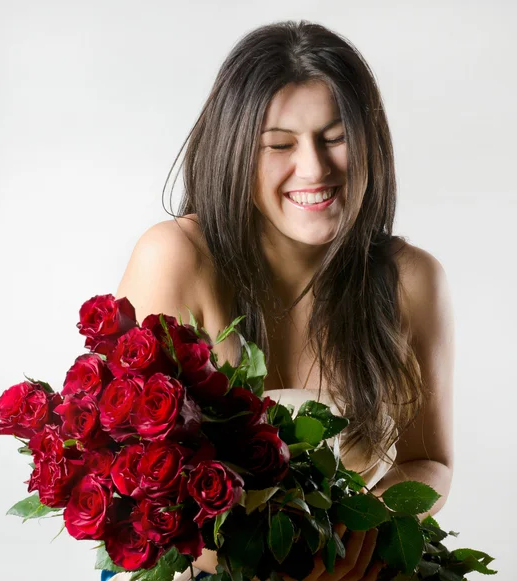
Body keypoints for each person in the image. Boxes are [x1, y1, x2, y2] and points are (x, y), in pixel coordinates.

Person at [108, 19, 454, 581]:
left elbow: (429, 460)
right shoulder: (173, 257)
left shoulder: (413, 280)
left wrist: (369, 526)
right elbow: (120, 482)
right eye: (280, 145)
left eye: (336, 137)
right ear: (236, 150)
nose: (314, 168)